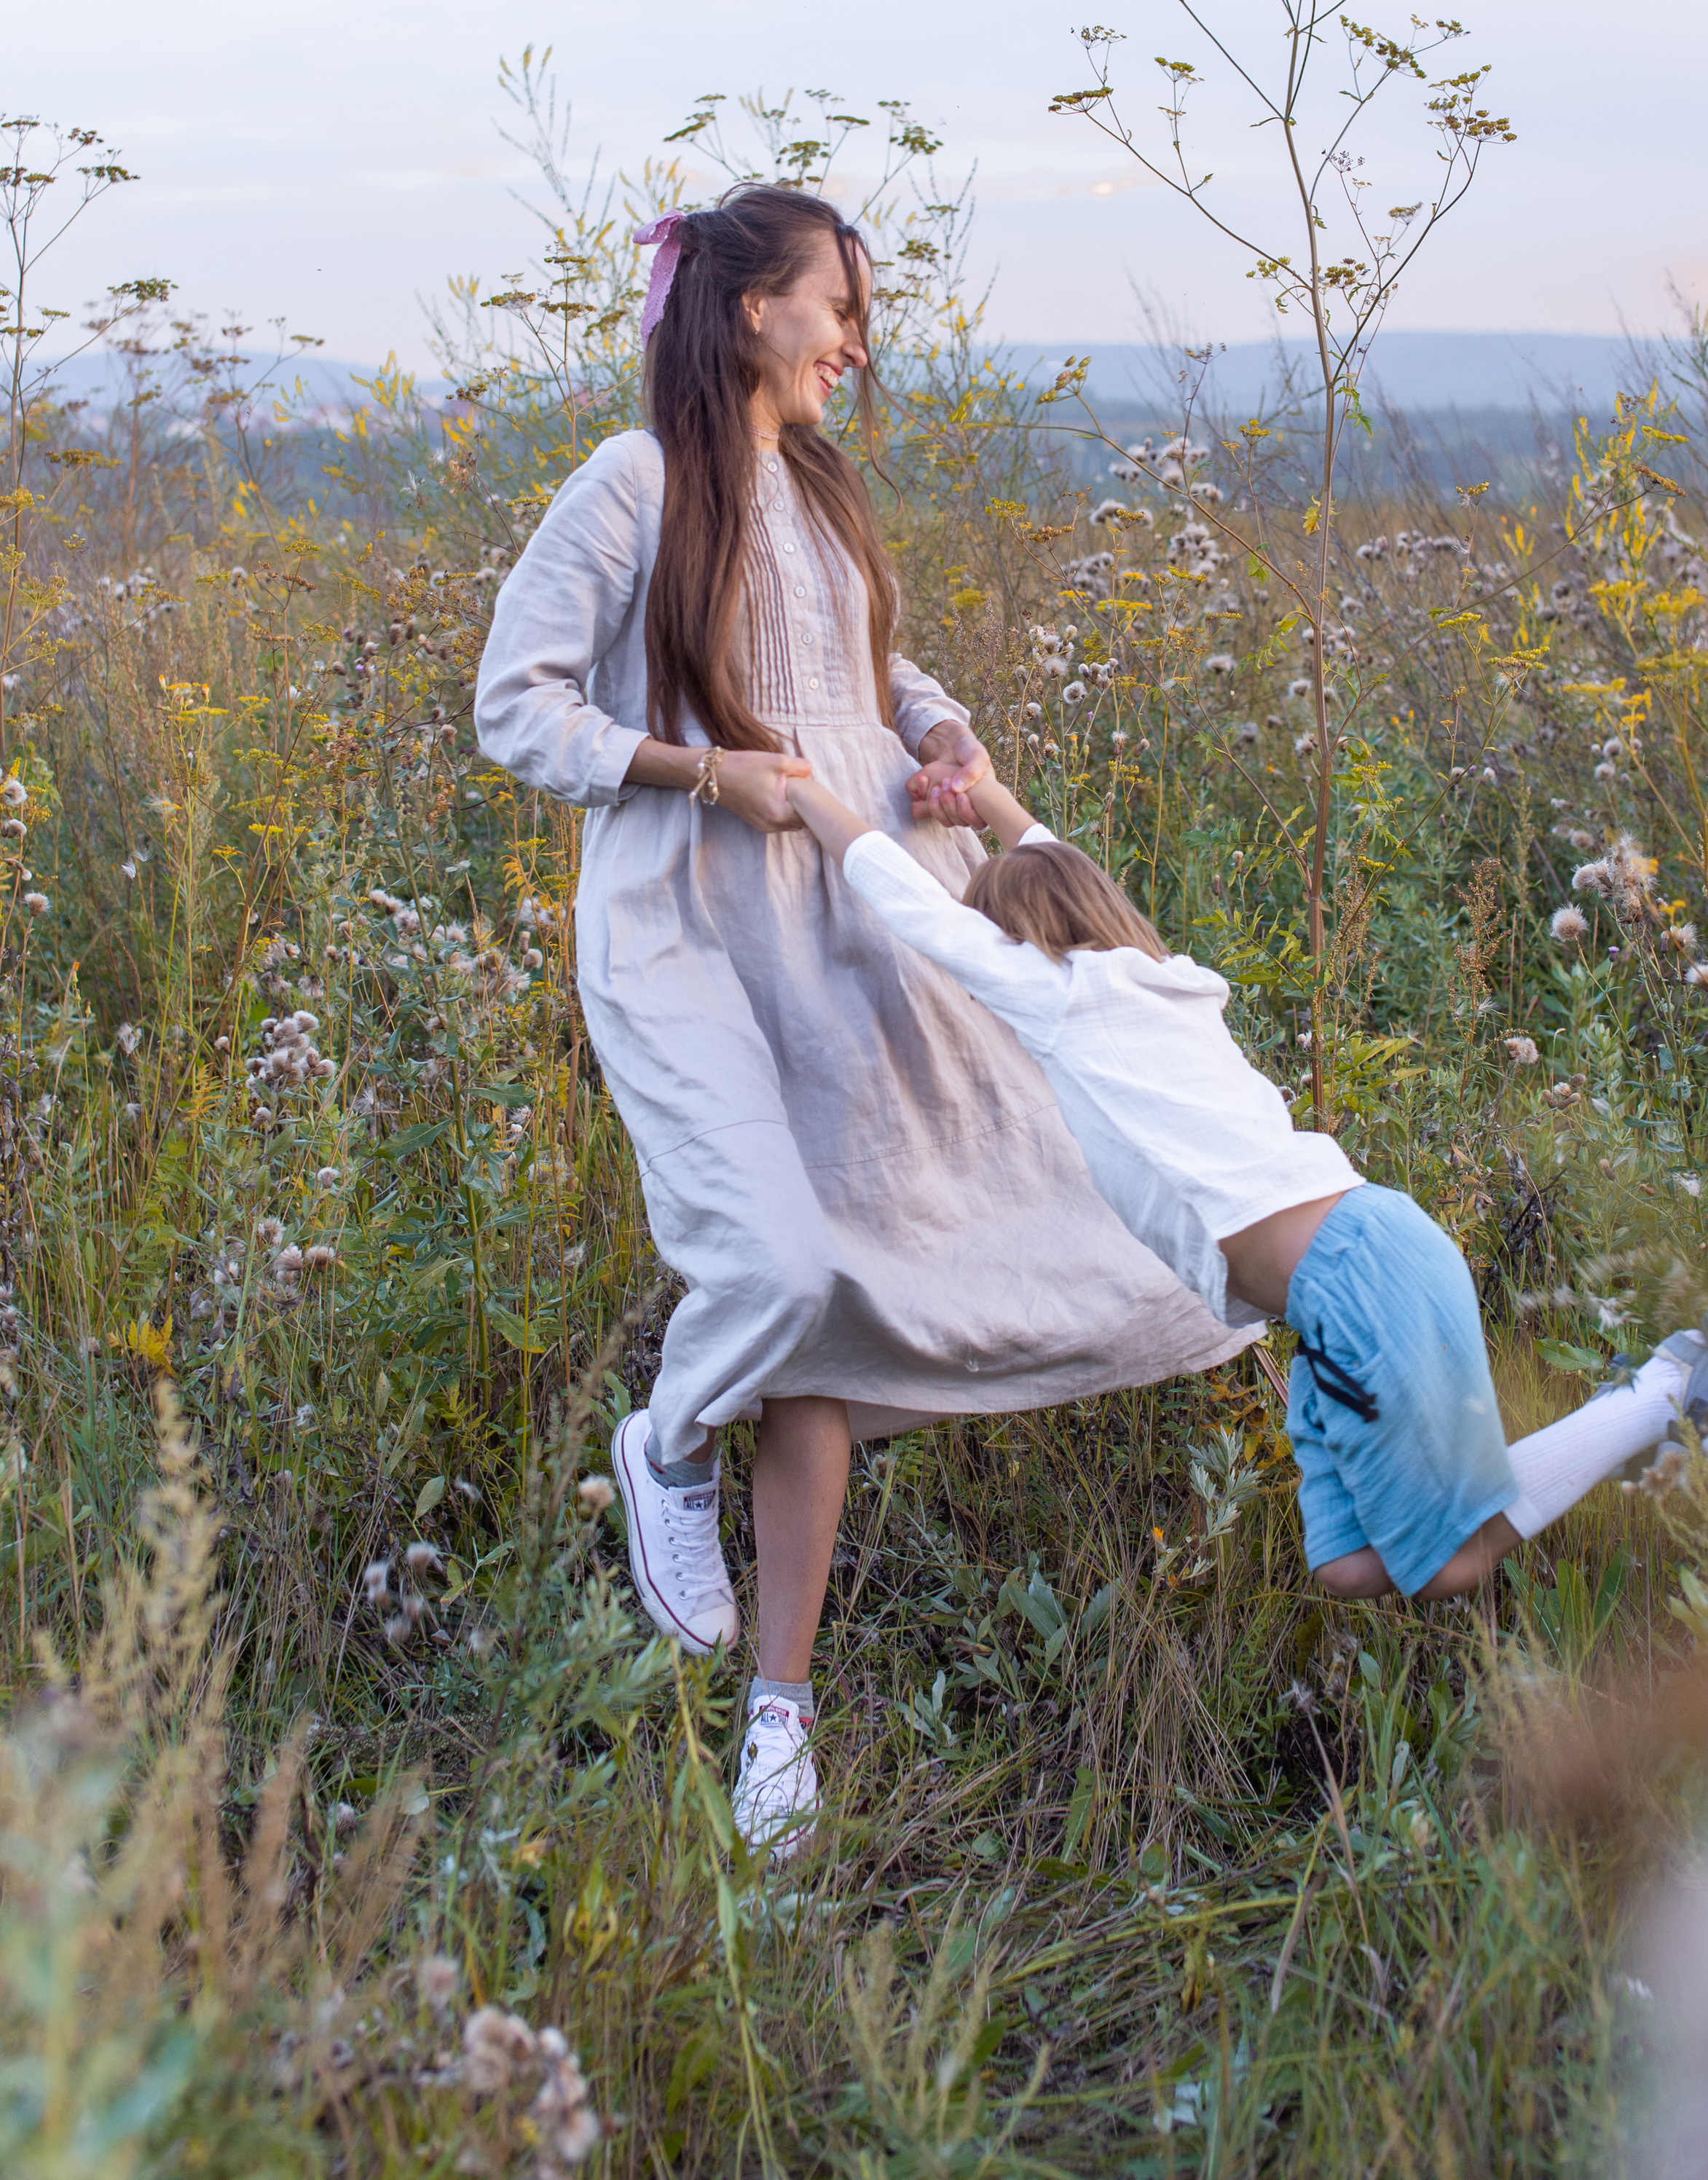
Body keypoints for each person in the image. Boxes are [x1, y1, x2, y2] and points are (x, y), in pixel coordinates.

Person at [472, 186, 1249, 1858]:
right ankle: (668, 1438)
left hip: (852, 913)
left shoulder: (821, 491)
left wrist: (945, 735)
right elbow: (511, 705)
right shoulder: (636, 482)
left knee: (904, 1269)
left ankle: (779, 1719)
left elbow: (875, 676)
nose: (857, 337)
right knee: (777, 1266)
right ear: (751, 306)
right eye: (840, 302)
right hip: (689, 929)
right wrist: (700, 768)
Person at [783, 760, 1708, 1603]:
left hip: (1354, 1277)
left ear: (1024, 944)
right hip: (1350, 1280)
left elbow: (917, 911)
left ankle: (1666, 1390)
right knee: (1346, 1566)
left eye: (999, 939)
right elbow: (1060, 868)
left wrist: (807, 797)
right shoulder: (1156, 982)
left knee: (1446, 1562)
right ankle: (1668, 1397)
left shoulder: (1062, 997)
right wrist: (994, 803)